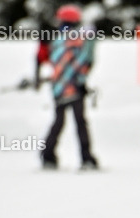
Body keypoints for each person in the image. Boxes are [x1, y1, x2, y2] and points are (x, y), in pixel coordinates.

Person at [41, 5, 98, 170]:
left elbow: (55, 62)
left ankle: (47, 155)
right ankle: (86, 157)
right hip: (74, 87)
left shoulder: (57, 40)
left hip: (58, 87)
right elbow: (84, 62)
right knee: (80, 122)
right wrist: (81, 81)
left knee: (59, 122)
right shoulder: (79, 39)